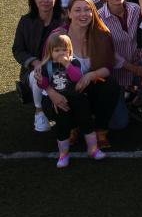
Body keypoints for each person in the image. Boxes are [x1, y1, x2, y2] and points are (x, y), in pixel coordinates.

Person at [52, 0, 120, 148]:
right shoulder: (58, 36)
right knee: (59, 98)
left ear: (93, 12)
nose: (83, 14)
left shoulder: (102, 34)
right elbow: (46, 69)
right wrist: (53, 93)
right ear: (69, 13)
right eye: (77, 10)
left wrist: (90, 75)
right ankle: (72, 128)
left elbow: (108, 67)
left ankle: (100, 130)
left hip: (91, 86)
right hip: (65, 86)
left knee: (111, 85)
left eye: (87, 9)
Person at [36, 34, 108, 167]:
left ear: (69, 50)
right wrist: (40, 80)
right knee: (62, 125)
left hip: (77, 98)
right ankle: (63, 154)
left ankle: (93, 149)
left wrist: (67, 64)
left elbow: (76, 77)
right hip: (60, 101)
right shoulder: (47, 66)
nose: (61, 53)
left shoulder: (73, 63)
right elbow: (44, 84)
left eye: (64, 50)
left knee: (86, 121)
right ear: (50, 52)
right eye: (57, 50)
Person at [13, 0, 65, 132]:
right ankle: (39, 111)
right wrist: (35, 62)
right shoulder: (25, 21)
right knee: (39, 73)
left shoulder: (63, 20)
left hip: (59, 67)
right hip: (33, 69)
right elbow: (18, 49)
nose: (45, 0)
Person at [97, 0, 142, 96]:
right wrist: (132, 68)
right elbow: (106, 50)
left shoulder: (136, 9)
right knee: (118, 106)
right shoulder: (99, 18)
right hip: (115, 72)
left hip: (139, 64)